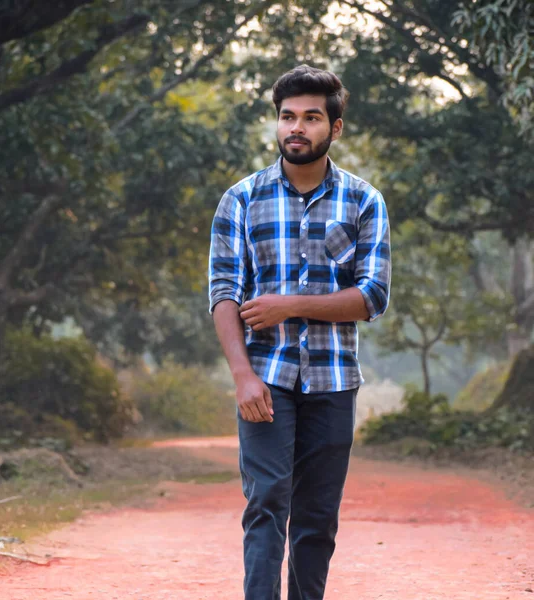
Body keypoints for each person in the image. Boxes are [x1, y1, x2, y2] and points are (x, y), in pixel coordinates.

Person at [208, 64, 391, 600]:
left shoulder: (364, 201)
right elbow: (224, 294)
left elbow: (371, 297)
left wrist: (289, 304)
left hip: (334, 381)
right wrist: (242, 378)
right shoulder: (240, 199)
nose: (297, 128)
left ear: (334, 128)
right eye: (288, 116)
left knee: (317, 517)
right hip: (264, 376)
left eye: (312, 117)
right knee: (266, 503)